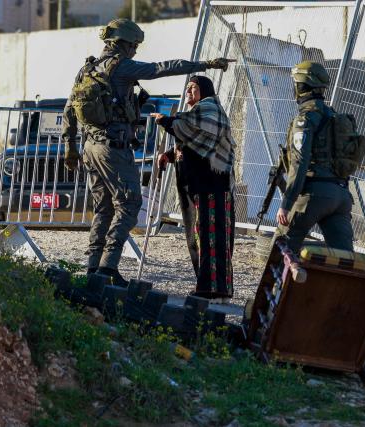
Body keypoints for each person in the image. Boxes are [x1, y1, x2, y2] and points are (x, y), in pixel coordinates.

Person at [62, 18, 231, 286]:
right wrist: (205, 65)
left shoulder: (87, 68)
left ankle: (93, 268)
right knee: (129, 204)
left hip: (90, 148)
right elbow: (160, 69)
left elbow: (69, 109)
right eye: (133, 46)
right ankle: (108, 268)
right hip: (112, 148)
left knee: (104, 208)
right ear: (123, 44)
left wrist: (70, 147)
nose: (135, 51)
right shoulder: (121, 67)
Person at [155, 75, 236, 302]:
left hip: (213, 185)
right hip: (196, 185)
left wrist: (167, 122)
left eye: (194, 88)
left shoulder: (210, 111)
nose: (189, 91)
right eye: (188, 87)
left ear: (205, 91)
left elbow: (195, 134)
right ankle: (207, 287)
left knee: (214, 236)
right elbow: (191, 140)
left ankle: (217, 290)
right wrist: (169, 155)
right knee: (197, 236)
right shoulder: (193, 115)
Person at [274, 61, 354, 254]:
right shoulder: (334, 117)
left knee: (280, 251)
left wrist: (286, 204)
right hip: (341, 196)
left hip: (314, 195)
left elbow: (299, 163)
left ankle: (277, 285)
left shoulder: (305, 119)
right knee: (344, 260)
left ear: (301, 86)